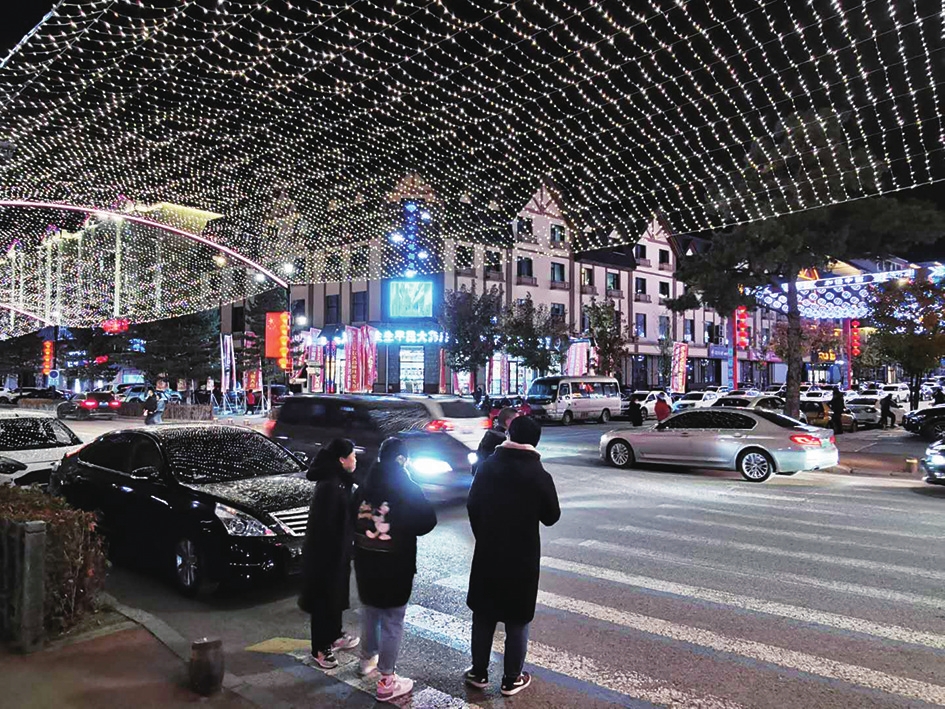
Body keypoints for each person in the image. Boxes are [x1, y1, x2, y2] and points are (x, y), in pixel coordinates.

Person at [464, 416, 560, 697]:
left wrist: (484, 534)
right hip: (522, 557)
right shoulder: (539, 475)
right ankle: (511, 678)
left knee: (483, 615)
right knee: (517, 619)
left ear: (509, 434)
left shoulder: (487, 467)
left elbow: (473, 505)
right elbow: (551, 516)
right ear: (535, 442)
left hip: (488, 553)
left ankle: (478, 672)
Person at [354, 438, 436, 703]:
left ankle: (367, 659)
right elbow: (427, 520)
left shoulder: (365, 483)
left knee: (370, 610)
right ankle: (387, 680)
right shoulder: (406, 486)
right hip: (396, 562)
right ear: (402, 459)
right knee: (392, 619)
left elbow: (351, 514)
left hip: (366, 560)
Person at [299, 439, 360, 669]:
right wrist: (334, 553)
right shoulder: (330, 485)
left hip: (338, 551)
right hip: (325, 555)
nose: (356, 460)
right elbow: (325, 526)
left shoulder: (340, 481)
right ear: (341, 460)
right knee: (323, 599)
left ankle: (335, 635)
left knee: (335, 596)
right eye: (352, 455)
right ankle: (320, 648)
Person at [474, 407, 518, 473]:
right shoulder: (499, 439)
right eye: (516, 420)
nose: (518, 423)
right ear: (508, 421)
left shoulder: (492, 435)